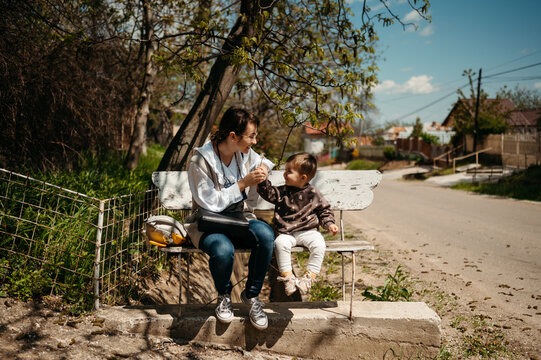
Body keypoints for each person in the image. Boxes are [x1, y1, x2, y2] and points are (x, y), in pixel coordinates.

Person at [186, 106, 275, 330]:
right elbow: (210, 202)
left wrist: (263, 168)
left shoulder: (242, 154)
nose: (254, 141)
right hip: (209, 224)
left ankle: (251, 296)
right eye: (251, 136)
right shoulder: (201, 161)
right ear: (233, 136)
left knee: (266, 235)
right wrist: (243, 183)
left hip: (239, 219)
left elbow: (265, 161)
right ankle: (224, 296)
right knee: (223, 250)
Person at [257, 153, 339, 295]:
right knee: (279, 244)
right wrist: (263, 179)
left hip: (309, 231)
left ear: (303, 178)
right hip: (287, 233)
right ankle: (288, 277)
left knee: (319, 244)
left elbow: (324, 210)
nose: (285, 174)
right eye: (285, 169)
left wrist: (329, 224)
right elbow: (268, 193)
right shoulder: (282, 192)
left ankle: (309, 277)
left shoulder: (313, 193)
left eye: (289, 171)